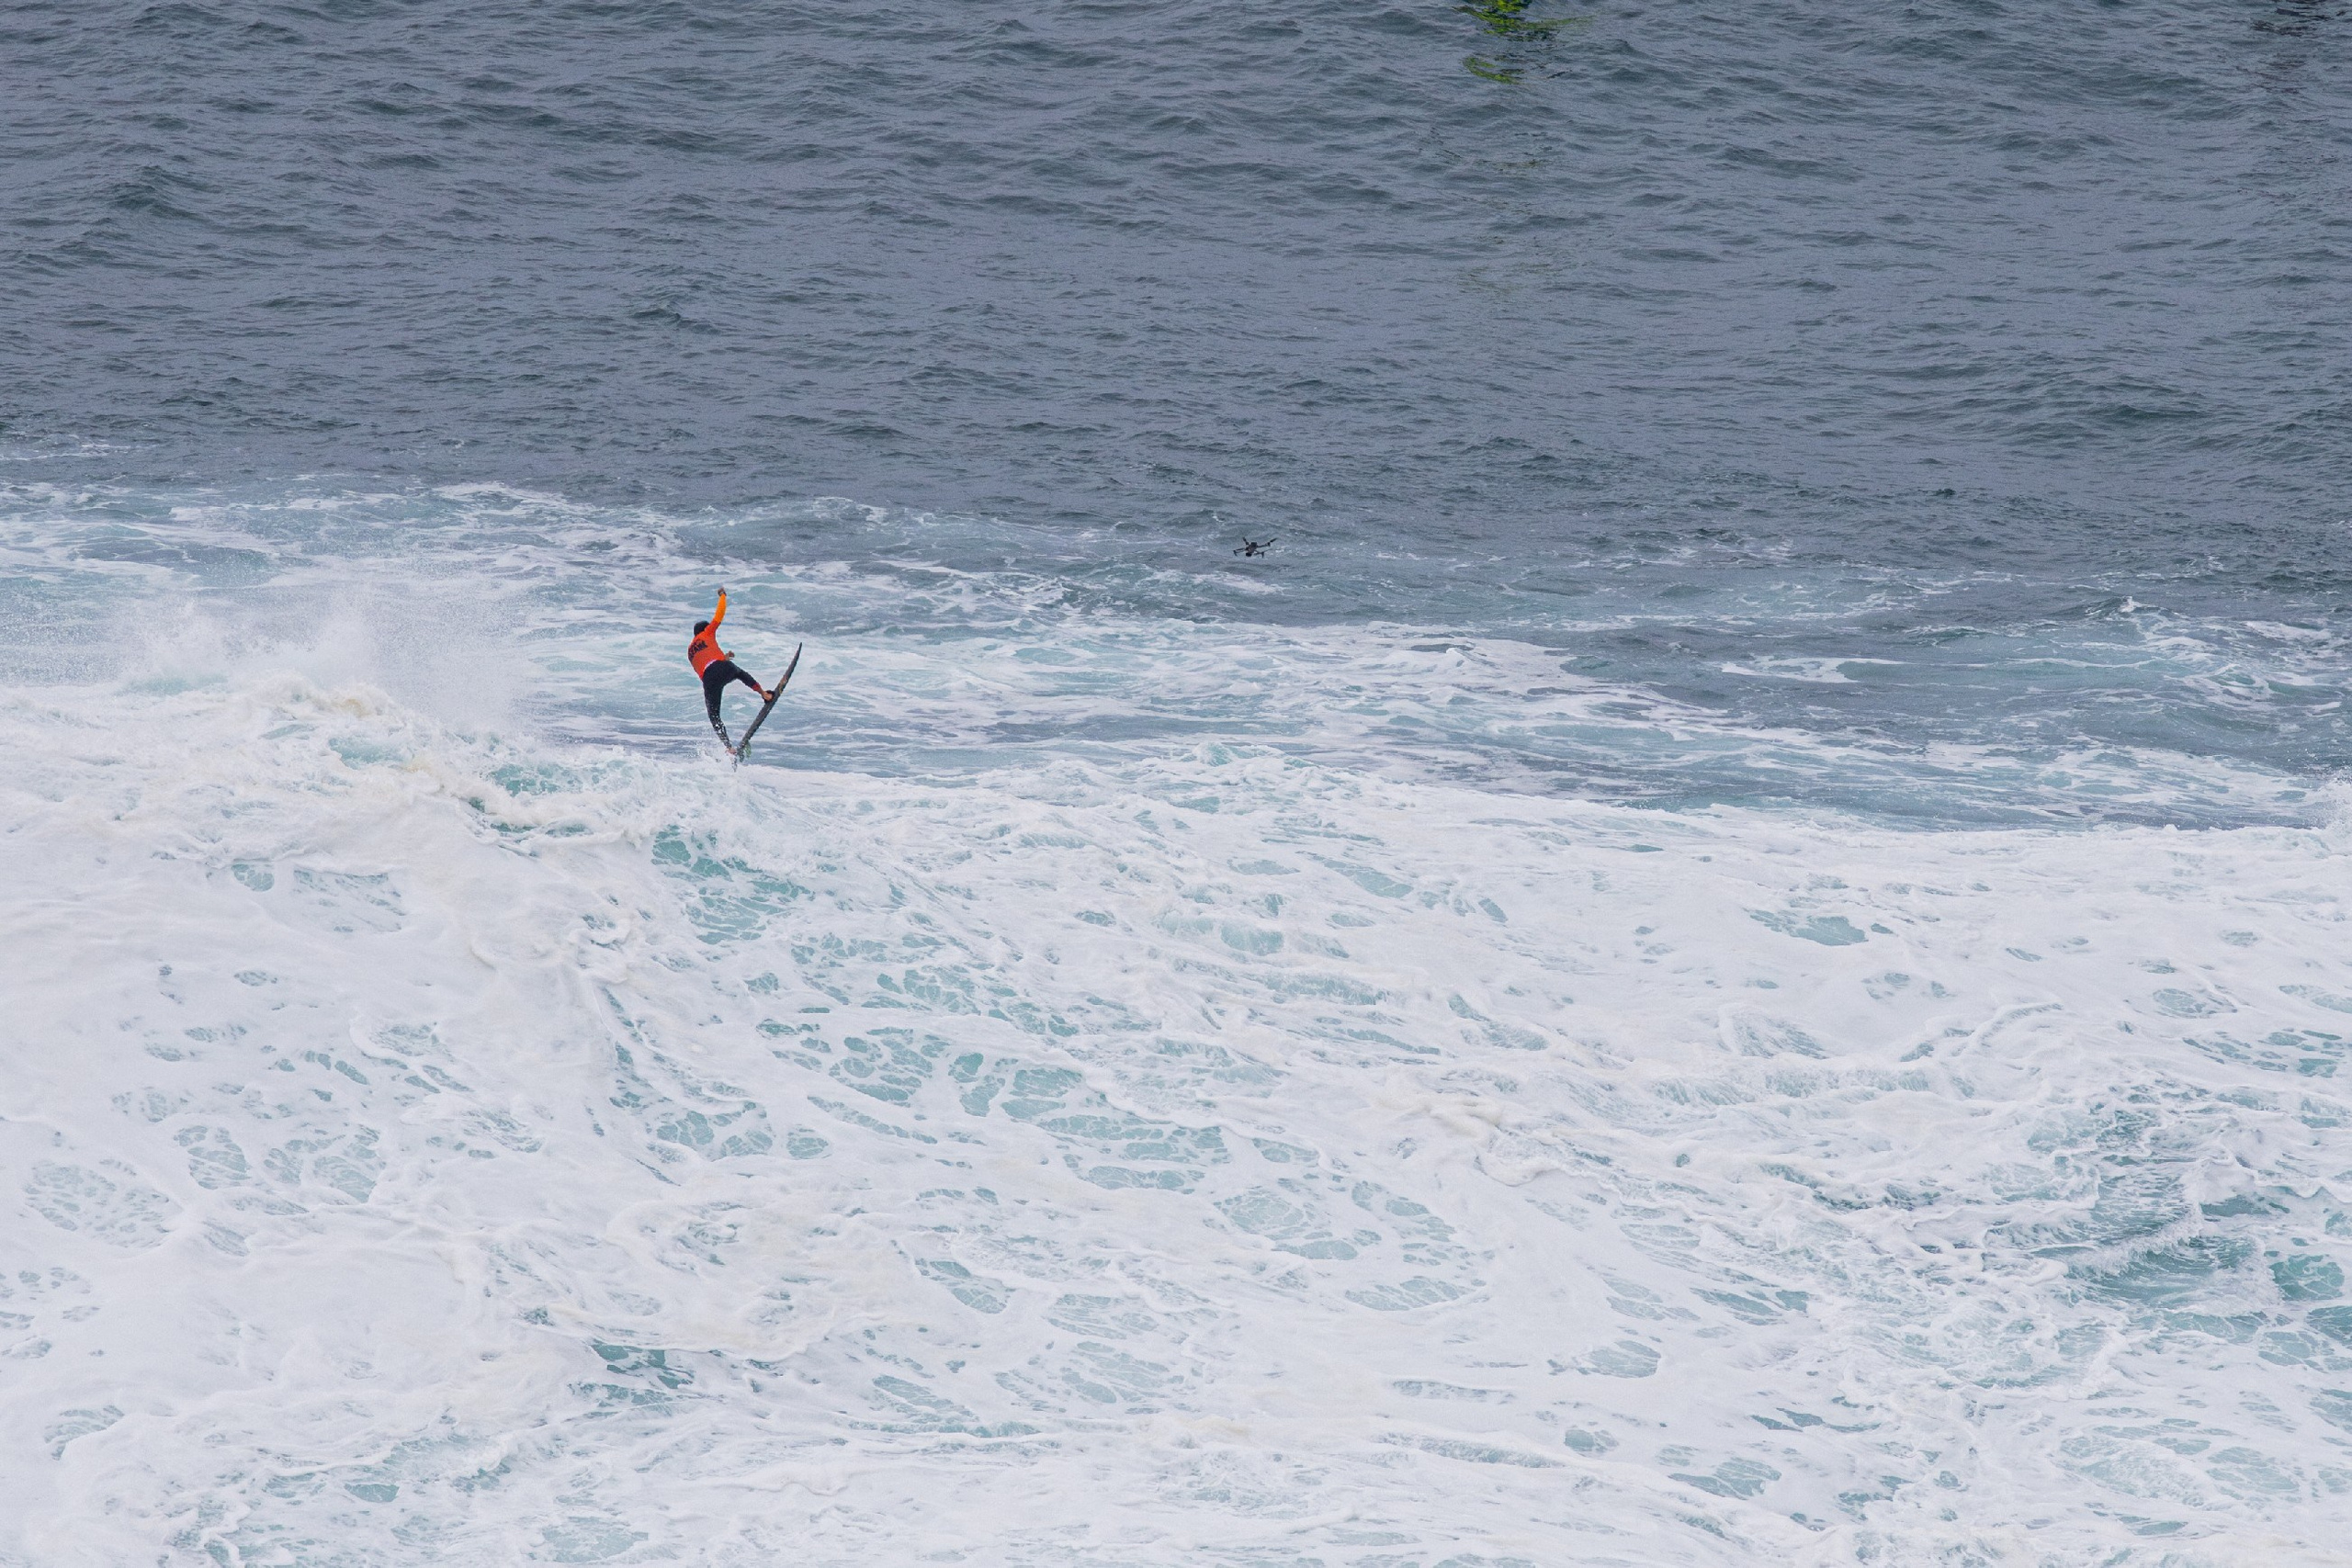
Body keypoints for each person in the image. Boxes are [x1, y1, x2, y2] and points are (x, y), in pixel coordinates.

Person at [687, 588, 772, 741]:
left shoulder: (690, 652)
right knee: (739, 673)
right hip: (721, 668)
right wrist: (723, 596)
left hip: (708, 680)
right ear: (705, 629)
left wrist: (722, 658)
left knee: (714, 717)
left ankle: (729, 747)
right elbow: (719, 614)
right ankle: (764, 694)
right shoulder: (707, 633)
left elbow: (706, 665)